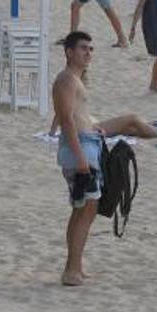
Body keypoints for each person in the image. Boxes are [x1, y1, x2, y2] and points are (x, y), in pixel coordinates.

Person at [52, 31, 102, 287]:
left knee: (83, 208)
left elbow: (75, 114)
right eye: (83, 48)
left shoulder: (75, 79)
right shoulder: (66, 79)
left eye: (91, 49)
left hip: (86, 144)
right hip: (78, 149)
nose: (88, 53)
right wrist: (81, 157)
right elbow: (67, 119)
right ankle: (71, 269)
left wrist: (94, 128)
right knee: (85, 208)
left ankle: (75, 266)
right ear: (69, 52)